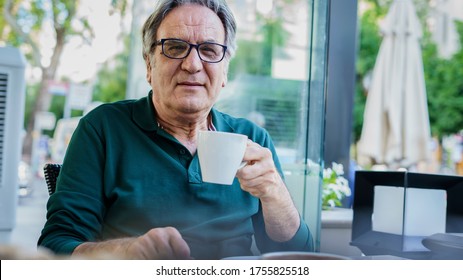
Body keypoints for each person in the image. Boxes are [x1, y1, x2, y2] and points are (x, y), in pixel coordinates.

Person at [38, 0, 313, 260]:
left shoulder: (253, 139)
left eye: (209, 50)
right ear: (149, 65)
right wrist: (127, 253)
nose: (192, 64)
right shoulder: (103, 129)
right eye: (175, 47)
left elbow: (298, 255)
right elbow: (56, 246)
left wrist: (275, 193)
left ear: (225, 71)